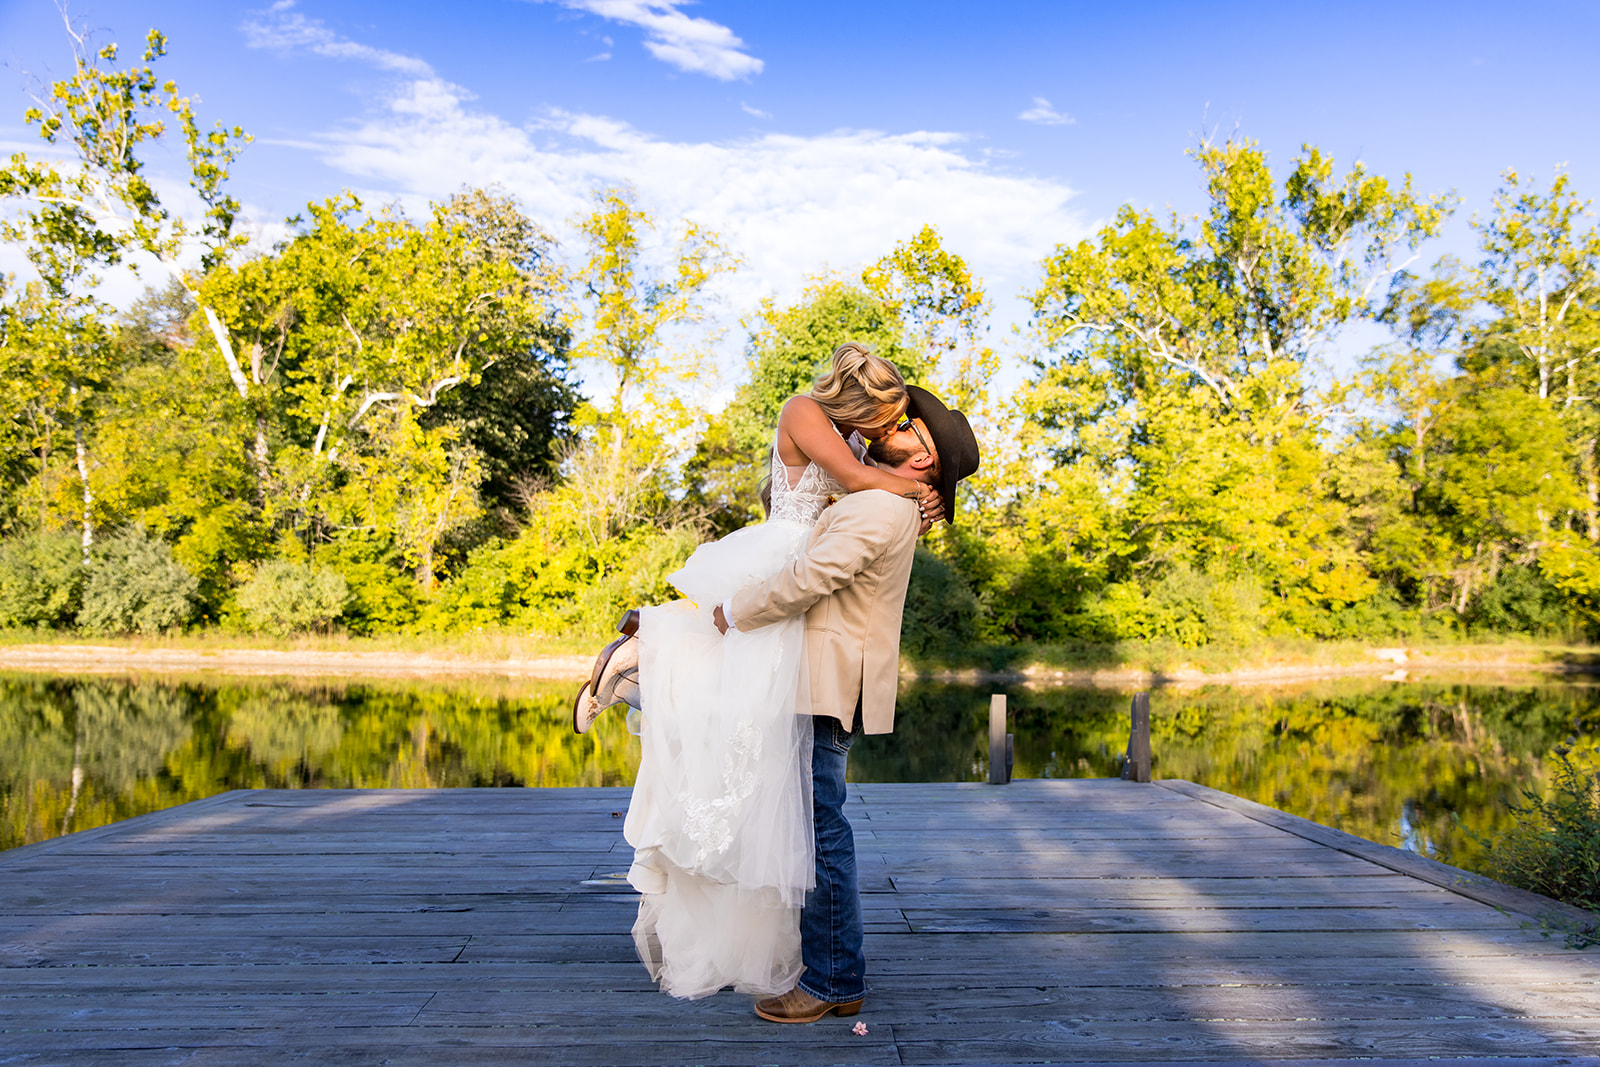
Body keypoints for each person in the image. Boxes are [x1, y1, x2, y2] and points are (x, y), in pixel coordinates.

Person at [573, 343, 946, 1001]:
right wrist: (922, 488)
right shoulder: (805, 412)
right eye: (884, 421)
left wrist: (921, 492)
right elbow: (858, 488)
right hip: (779, 561)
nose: (886, 434)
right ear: (856, 402)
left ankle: (643, 658)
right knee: (723, 691)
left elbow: (866, 508)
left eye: (893, 425)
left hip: (803, 589)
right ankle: (638, 653)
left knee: (741, 744)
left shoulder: (862, 454)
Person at [719, 385, 980, 1023]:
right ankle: (833, 974)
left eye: (910, 424)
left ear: (922, 458)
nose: (898, 422)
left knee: (819, 828)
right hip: (823, 677)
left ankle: (835, 980)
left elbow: (811, 579)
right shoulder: (882, 500)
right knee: (816, 822)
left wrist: (735, 611)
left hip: (825, 681)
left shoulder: (881, 510)